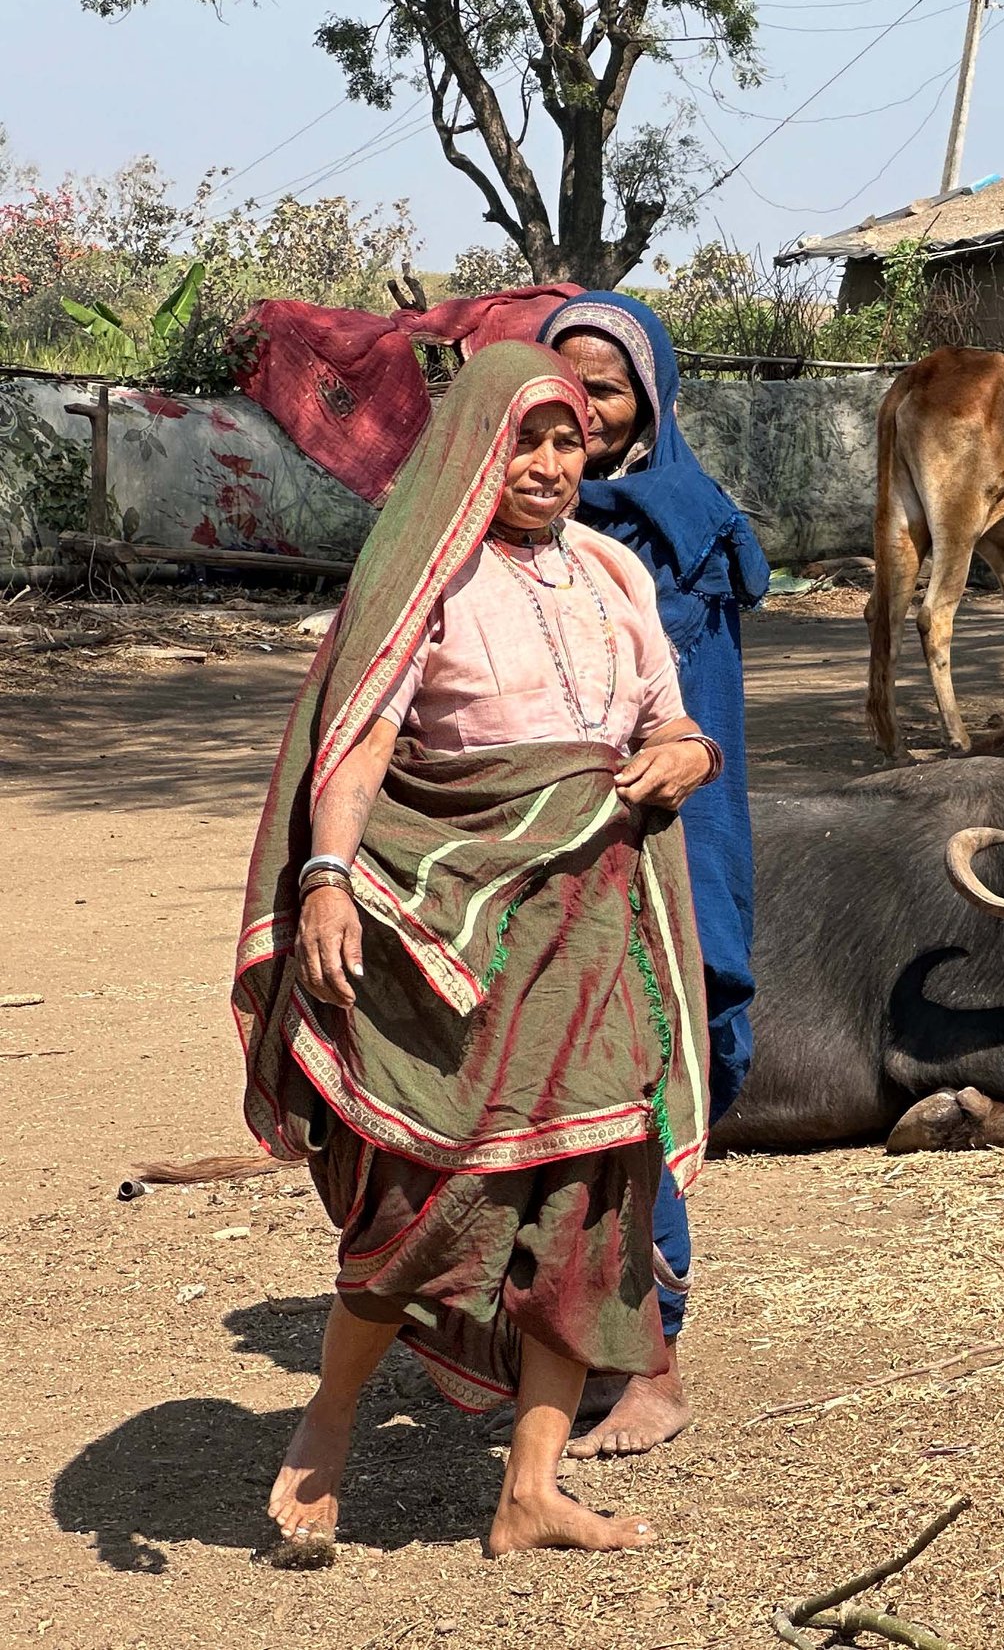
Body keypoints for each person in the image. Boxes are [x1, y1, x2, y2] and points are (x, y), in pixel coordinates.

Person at [232, 341, 719, 1559]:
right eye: (525, 441)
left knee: (591, 1195)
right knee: (430, 1190)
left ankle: (530, 1489)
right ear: (475, 448)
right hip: (464, 925)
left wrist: (687, 752)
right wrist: (329, 876)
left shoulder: (612, 571)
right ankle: (328, 1425)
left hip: (598, 923)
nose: (550, 465)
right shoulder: (427, 578)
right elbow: (360, 736)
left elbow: (668, 719)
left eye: (567, 441)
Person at [538, 292, 769, 1457]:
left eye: (607, 390)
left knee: (641, 1084)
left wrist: (688, 876)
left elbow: (704, 726)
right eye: (563, 390)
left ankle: (651, 1360)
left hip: (662, 845)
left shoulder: (687, 535)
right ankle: (570, 1339)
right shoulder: (509, 520)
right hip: (544, 854)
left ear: (652, 400)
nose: (583, 413)